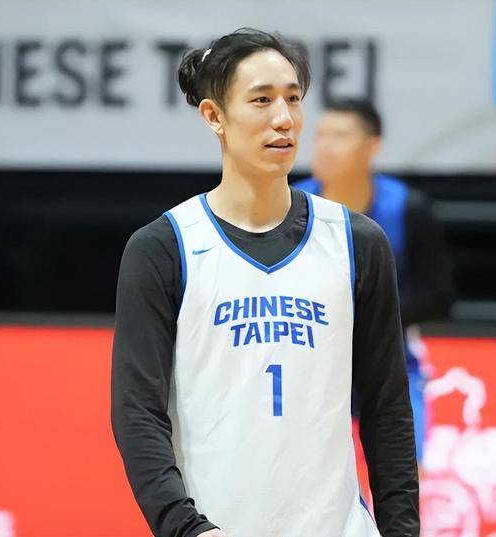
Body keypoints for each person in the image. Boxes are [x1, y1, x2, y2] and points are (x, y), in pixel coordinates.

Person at [111, 29, 419, 537]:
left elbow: (388, 411)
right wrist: (185, 528)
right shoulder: (164, 248)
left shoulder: (356, 241)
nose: (284, 118)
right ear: (214, 116)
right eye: (262, 100)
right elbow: (137, 413)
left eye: (293, 99)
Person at [295, 99, 454, 462]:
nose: (326, 145)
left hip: (388, 363)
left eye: (340, 135)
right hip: (309, 368)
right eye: (321, 135)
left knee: (404, 479)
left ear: (372, 146)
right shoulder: (289, 205)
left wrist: (368, 316)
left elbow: (439, 297)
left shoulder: (408, 208)